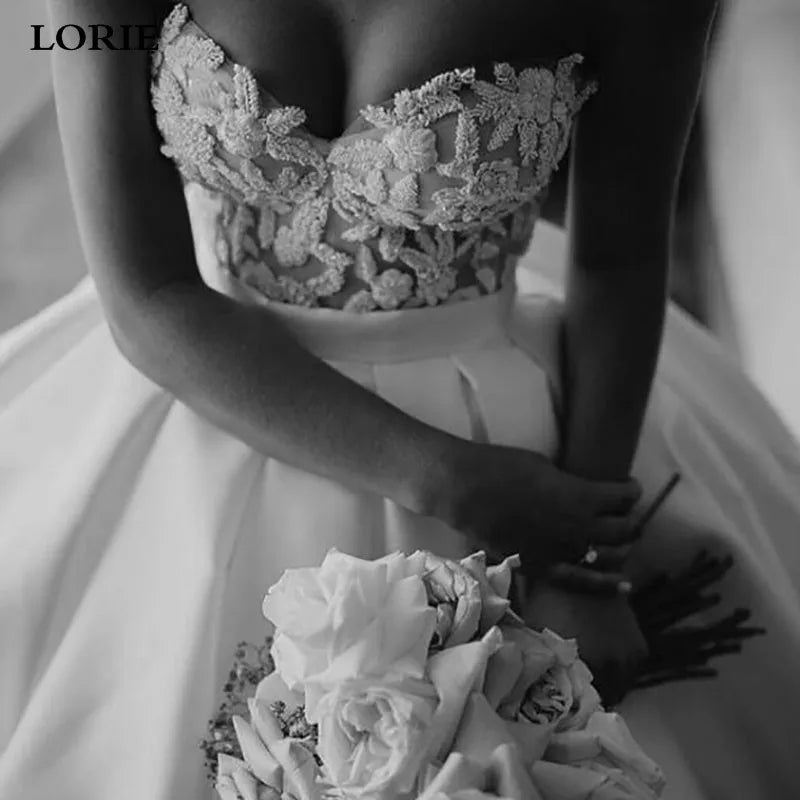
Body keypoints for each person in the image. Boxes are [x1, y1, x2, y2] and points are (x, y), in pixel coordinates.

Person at [1, 0, 798, 798]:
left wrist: (585, 564)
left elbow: (619, 259)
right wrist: (449, 480)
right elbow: (147, 295)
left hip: (517, 417)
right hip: (209, 373)